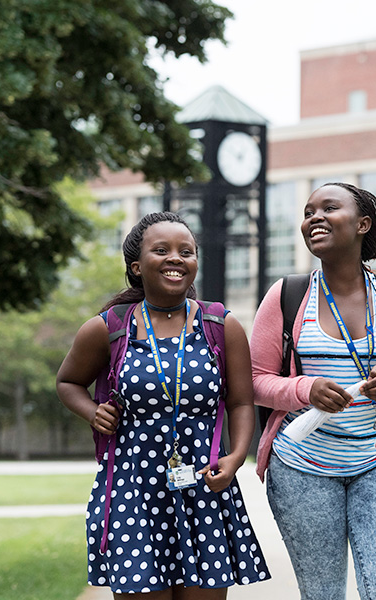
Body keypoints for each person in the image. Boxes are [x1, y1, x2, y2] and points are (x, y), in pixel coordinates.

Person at [56, 212, 269, 598]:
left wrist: (236, 456)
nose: (176, 258)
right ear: (137, 266)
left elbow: (240, 401)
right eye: (162, 250)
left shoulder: (220, 324)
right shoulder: (110, 326)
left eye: (186, 251)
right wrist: (92, 411)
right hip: (133, 489)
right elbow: (67, 381)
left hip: (204, 488)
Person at [250, 182, 376, 599]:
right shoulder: (287, 295)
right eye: (308, 210)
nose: (314, 217)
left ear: (362, 224)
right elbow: (254, 382)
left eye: (328, 208)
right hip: (303, 468)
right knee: (323, 594)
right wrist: (305, 389)